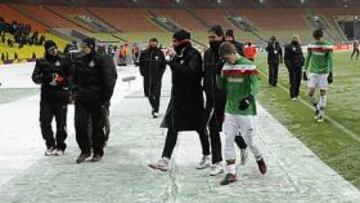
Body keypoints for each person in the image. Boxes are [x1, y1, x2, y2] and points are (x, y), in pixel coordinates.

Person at [148, 30, 210, 172]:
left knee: (200, 127)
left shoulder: (194, 55)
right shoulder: (178, 55)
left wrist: (172, 63)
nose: (173, 44)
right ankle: (165, 159)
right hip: (178, 97)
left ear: (183, 42)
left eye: (175, 41)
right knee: (173, 127)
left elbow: (190, 74)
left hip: (193, 97)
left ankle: (207, 155)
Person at [217, 41, 267, 185]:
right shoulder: (226, 66)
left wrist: (250, 97)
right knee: (228, 139)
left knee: (250, 141)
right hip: (230, 108)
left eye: (227, 58)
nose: (227, 61)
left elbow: (256, 83)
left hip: (245, 110)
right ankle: (231, 173)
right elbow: (221, 86)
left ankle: (258, 157)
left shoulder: (248, 65)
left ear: (234, 53)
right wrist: (218, 75)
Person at [70, 38, 117, 163]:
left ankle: (97, 151)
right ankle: (84, 151)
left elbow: (109, 81)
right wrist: (74, 91)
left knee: (97, 126)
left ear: (91, 46)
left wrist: (105, 99)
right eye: (81, 46)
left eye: (84, 46)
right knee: (80, 125)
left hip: (97, 99)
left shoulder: (100, 60)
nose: (82, 49)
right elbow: (72, 78)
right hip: (81, 99)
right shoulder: (78, 61)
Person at [31, 40, 70, 156]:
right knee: (44, 121)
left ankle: (61, 146)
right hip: (46, 98)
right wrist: (45, 78)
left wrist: (62, 81)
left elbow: (71, 77)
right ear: (47, 51)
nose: (54, 51)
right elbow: (35, 78)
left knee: (61, 123)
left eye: (55, 49)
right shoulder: (41, 62)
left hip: (61, 96)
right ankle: (50, 144)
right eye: (51, 50)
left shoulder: (63, 60)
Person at [303, 29, 333, 122]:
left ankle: (321, 114)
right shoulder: (311, 45)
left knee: (322, 93)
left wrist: (331, 73)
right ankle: (317, 107)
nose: (317, 40)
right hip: (313, 72)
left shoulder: (328, 46)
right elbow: (308, 58)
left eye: (319, 38)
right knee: (310, 93)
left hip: (324, 73)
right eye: (316, 38)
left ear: (322, 37)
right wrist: (304, 70)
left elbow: (330, 59)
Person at [139, 38, 166, 118]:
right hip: (147, 77)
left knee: (156, 94)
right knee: (148, 94)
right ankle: (154, 106)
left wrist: (160, 74)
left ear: (157, 44)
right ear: (149, 43)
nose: (153, 45)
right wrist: (142, 72)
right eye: (152, 43)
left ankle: (156, 110)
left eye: (155, 44)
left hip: (156, 77)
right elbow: (141, 64)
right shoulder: (144, 53)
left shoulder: (160, 53)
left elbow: (163, 65)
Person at [284, 34, 305, 100]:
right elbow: (286, 58)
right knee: (293, 81)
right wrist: (289, 66)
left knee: (298, 81)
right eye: (296, 38)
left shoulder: (299, 46)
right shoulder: (289, 46)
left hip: (299, 66)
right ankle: (293, 95)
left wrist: (302, 62)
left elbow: (301, 55)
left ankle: (297, 94)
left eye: (298, 38)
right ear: (293, 39)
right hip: (292, 67)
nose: (297, 39)